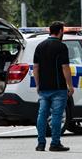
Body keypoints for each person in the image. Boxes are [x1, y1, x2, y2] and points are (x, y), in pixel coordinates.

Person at [32, 21, 75, 152]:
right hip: (58, 88)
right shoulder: (61, 47)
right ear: (60, 31)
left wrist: (38, 84)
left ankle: (40, 144)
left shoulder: (40, 46)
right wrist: (70, 86)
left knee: (42, 115)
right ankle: (55, 143)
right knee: (56, 116)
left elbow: (35, 68)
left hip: (44, 88)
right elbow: (65, 68)